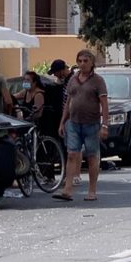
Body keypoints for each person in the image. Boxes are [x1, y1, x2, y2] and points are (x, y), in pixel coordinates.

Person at [53, 49, 108, 202]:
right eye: (80, 61)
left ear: (92, 63)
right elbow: (68, 102)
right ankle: (67, 190)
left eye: (86, 61)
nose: (82, 64)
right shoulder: (73, 80)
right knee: (71, 154)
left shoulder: (98, 81)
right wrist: (62, 122)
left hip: (91, 124)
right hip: (73, 123)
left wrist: (105, 125)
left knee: (92, 158)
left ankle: (92, 191)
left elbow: (104, 104)